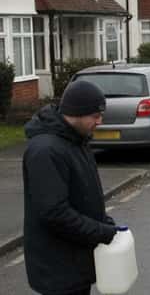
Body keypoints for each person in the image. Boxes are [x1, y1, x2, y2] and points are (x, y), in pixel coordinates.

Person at [22, 80, 116, 295]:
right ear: (76, 112)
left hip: (75, 262)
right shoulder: (46, 151)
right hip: (57, 270)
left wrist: (103, 222)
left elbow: (82, 193)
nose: (100, 121)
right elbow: (54, 212)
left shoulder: (75, 140)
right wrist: (100, 231)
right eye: (95, 115)